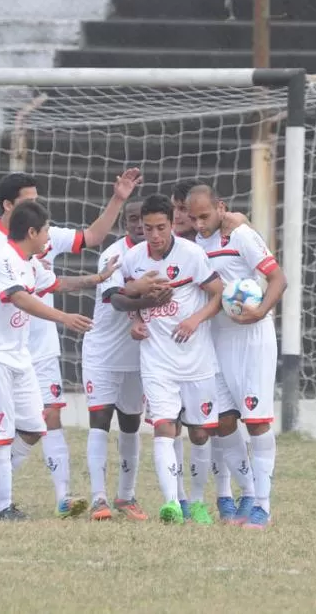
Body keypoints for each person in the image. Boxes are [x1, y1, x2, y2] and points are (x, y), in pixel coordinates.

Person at [0, 168, 141, 518]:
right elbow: (17, 297)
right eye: (45, 230)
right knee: (0, 433)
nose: (50, 237)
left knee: (34, 425)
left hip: (21, 354)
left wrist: (99, 278)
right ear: (30, 229)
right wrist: (64, 319)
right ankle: (3, 506)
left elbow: (56, 283)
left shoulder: (29, 260)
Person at [119, 193, 223, 524]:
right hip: (157, 359)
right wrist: (135, 321)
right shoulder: (133, 259)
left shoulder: (192, 255)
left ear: (171, 224)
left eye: (160, 228)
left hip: (196, 361)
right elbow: (127, 300)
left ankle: (197, 501)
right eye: (148, 228)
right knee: (164, 427)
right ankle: (172, 504)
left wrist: (195, 320)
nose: (154, 236)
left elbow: (219, 293)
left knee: (200, 433)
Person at [188, 184, 287, 530]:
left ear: (220, 208)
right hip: (216, 339)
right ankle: (247, 494)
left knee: (257, 421)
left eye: (205, 216)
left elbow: (278, 279)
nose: (199, 223)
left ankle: (263, 506)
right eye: (193, 218)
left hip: (251, 337)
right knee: (225, 422)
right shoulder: (194, 243)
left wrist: (260, 311)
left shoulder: (241, 234)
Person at [82, 199, 169, 521]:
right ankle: (98, 498)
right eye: (132, 220)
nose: (137, 226)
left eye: (142, 221)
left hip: (138, 354)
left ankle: (126, 496)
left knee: (131, 424)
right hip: (103, 353)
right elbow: (116, 301)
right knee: (100, 421)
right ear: (125, 224)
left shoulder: (162, 257)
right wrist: (147, 294)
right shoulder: (114, 256)